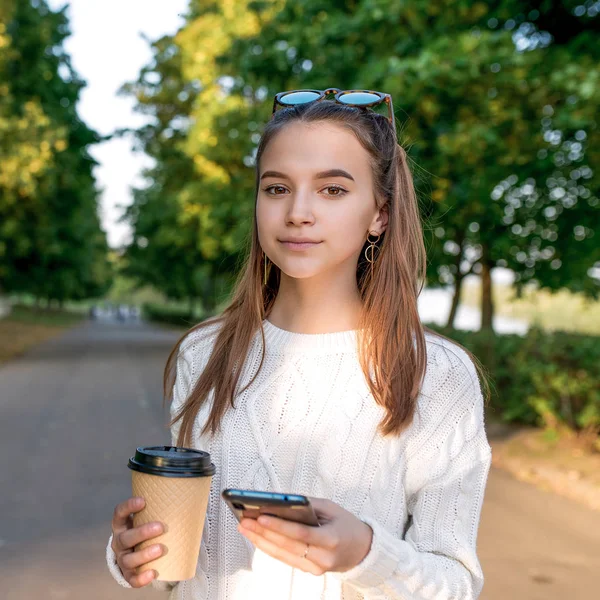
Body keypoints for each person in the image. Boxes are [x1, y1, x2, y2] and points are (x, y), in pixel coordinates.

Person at [106, 88, 492, 599]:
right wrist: (131, 554)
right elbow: (185, 563)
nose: (298, 212)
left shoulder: (436, 374)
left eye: (332, 190)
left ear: (379, 213)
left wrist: (367, 555)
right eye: (276, 188)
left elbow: (456, 583)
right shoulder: (204, 353)